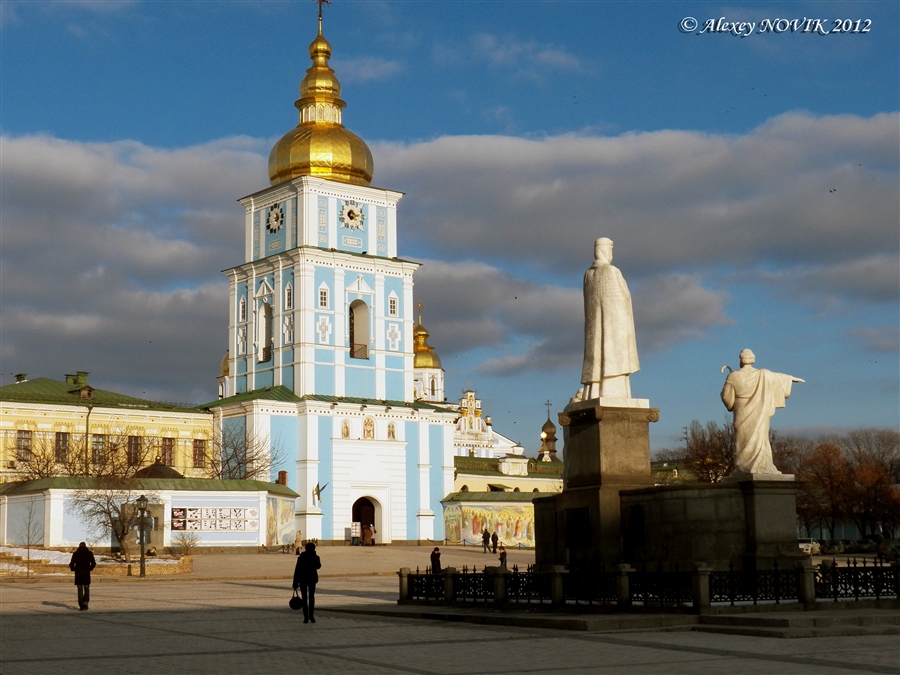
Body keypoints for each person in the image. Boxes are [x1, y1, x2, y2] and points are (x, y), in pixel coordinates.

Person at [721, 349, 804, 476]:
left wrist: (731, 401)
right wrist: (790, 379)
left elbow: (727, 398)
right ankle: (760, 465)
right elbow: (778, 378)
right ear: (752, 359)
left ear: (741, 360)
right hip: (760, 412)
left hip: (741, 412)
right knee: (759, 438)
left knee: (742, 441)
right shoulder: (764, 374)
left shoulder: (734, 376)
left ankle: (745, 467)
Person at [581, 238, 640, 400]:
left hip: (594, 331)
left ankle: (596, 388)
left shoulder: (588, 275)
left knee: (597, 353)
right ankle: (612, 388)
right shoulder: (612, 272)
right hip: (613, 330)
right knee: (610, 352)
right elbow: (621, 301)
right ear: (606, 251)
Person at [292, 542, 322, 624]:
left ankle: (305, 617)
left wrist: (295, 582)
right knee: (311, 598)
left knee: (304, 598)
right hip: (312, 579)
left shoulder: (302, 557)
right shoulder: (315, 557)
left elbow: (297, 570)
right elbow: (318, 566)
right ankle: (311, 616)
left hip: (303, 579)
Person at [69, 542, 96, 611]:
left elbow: (72, 563)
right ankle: (86, 602)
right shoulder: (89, 553)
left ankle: (81, 605)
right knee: (86, 589)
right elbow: (93, 563)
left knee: (79, 589)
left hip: (78, 574)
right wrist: (90, 569)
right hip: (86, 573)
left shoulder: (76, 554)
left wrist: (73, 569)